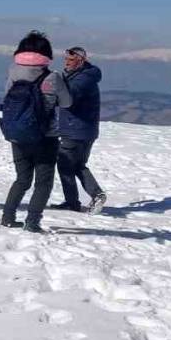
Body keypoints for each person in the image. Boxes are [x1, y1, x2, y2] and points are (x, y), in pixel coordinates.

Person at [0, 31, 73, 233]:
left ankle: (7, 216)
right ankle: (32, 221)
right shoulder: (52, 78)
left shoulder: (13, 73)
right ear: (46, 54)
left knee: (22, 179)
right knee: (43, 182)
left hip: (18, 135)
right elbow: (67, 102)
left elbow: (6, 98)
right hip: (45, 137)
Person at [51, 46, 107, 214]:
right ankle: (90, 196)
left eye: (71, 60)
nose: (67, 63)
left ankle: (77, 200)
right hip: (85, 129)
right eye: (66, 59)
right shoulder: (86, 76)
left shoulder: (82, 79)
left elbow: (68, 98)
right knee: (77, 165)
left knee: (66, 164)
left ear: (81, 61)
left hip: (75, 129)